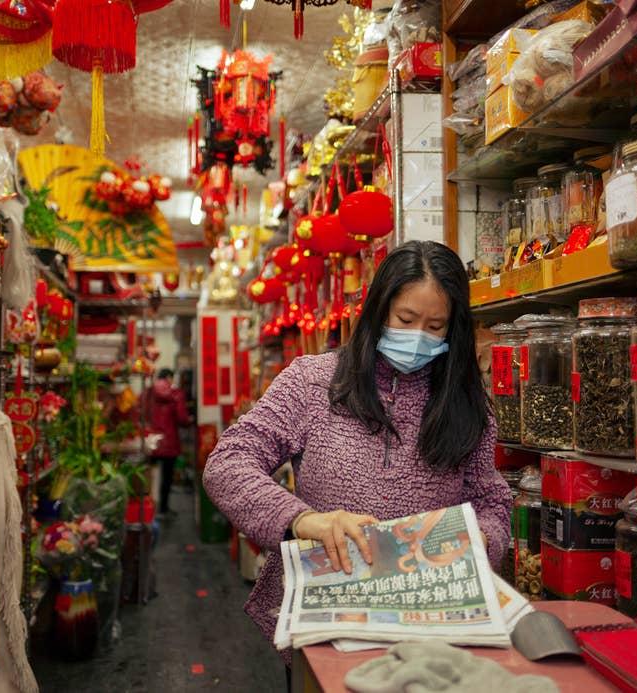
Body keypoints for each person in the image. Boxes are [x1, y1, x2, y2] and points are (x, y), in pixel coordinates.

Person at [202, 240, 511, 664]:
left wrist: (476, 542)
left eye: (435, 326)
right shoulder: (314, 381)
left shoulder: (465, 402)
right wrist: (302, 520)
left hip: (427, 628)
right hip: (324, 619)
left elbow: (491, 503)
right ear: (378, 309)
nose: (418, 337)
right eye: (405, 319)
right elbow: (228, 463)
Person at [144, 368, 192, 515]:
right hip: (169, 441)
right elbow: (182, 418)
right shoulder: (176, 394)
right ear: (169, 378)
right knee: (166, 477)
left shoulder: (148, 393)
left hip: (151, 440)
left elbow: (142, 414)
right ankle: (163, 508)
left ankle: (148, 506)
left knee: (148, 475)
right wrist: (190, 420)